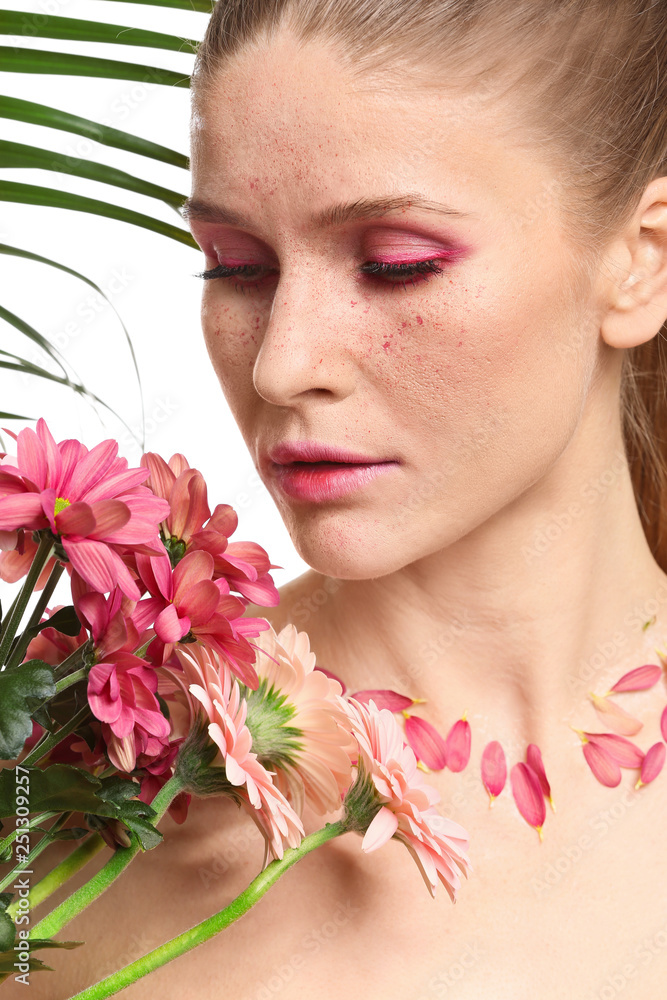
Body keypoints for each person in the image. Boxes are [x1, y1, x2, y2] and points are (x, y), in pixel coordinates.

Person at [30, 2, 667, 997]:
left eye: (394, 264)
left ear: (642, 258)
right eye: (236, 268)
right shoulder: (82, 808)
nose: (282, 363)